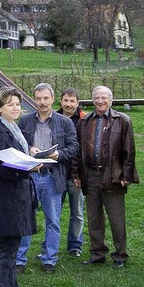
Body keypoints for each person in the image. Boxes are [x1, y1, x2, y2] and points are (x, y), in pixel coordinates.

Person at [72, 86, 139, 268]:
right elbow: (78, 151)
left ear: (111, 99)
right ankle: (97, 253)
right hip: (90, 175)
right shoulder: (84, 122)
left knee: (116, 219)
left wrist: (126, 175)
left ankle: (120, 255)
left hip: (113, 176)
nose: (100, 101)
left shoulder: (122, 120)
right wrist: (76, 174)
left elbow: (129, 150)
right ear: (93, 100)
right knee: (94, 218)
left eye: (104, 97)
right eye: (97, 98)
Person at [15, 83, 79, 273]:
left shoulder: (64, 122)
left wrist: (58, 154)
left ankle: (49, 258)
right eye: (38, 98)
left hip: (53, 177)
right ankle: (20, 259)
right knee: (26, 218)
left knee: (53, 220)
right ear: (34, 99)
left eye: (46, 98)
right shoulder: (25, 122)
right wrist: (29, 149)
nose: (42, 102)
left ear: (52, 99)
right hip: (30, 177)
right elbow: (16, 146)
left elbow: (74, 147)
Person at [0, 86, 38, 287]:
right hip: (6, 198)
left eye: (17, 104)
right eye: (10, 104)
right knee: (7, 248)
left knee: (14, 246)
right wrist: (27, 167)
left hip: (18, 195)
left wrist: (31, 155)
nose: (16, 108)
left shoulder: (14, 129)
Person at [56, 88, 86, 257]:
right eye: (66, 100)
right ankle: (50, 244)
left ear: (77, 103)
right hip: (57, 173)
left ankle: (75, 245)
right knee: (53, 213)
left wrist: (80, 174)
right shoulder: (53, 118)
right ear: (60, 101)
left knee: (77, 213)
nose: (68, 104)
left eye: (72, 101)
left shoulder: (84, 120)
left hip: (77, 176)